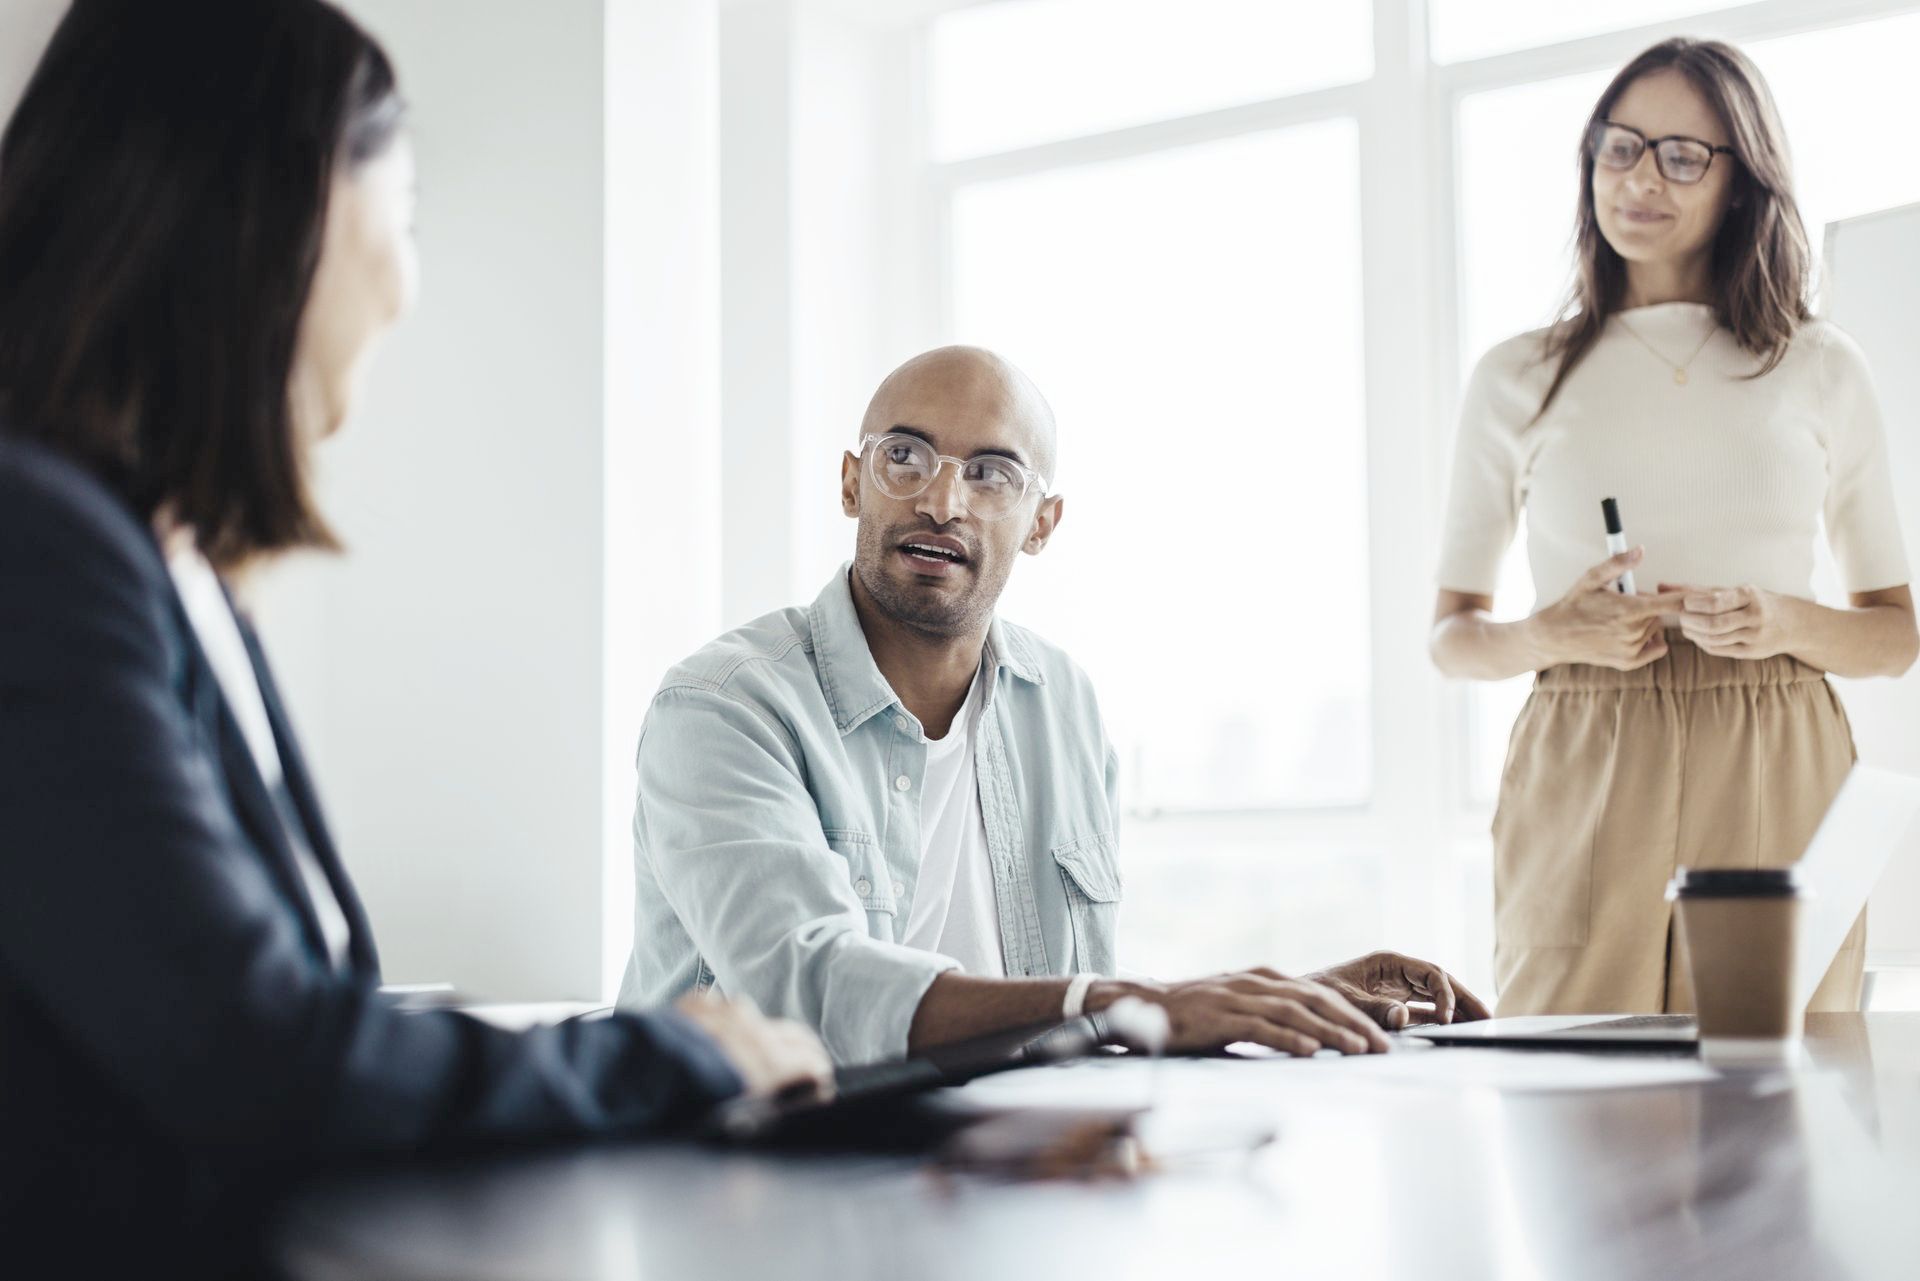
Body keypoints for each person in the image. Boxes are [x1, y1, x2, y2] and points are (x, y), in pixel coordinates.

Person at [0, 0, 826, 1262]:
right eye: (407, 210)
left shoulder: (174, 572)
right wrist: (675, 1051)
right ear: (276, 212)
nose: (409, 279)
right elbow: (248, 1049)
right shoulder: (40, 542)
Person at [620, 344, 1489, 1065]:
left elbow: (1059, 998)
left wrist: (1275, 1002)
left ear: (1042, 522)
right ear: (853, 482)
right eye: (904, 457)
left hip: (995, 1160)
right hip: (747, 1174)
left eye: (992, 473)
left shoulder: (1061, 700)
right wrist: (1143, 1003)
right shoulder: (723, 707)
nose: (940, 499)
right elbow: (806, 998)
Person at [1430, 37, 1917, 1017]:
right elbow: (1452, 637)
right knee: (1573, 1103)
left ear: (1742, 184)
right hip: (1583, 739)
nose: (1640, 179)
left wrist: (1782, 621)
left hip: (1777, 742)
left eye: (1682, 155)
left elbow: (1895, 632)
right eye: (1620, 147)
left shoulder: (1819, 365)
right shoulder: (1516, 375)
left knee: (1777, 1101)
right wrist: (1547, 635)